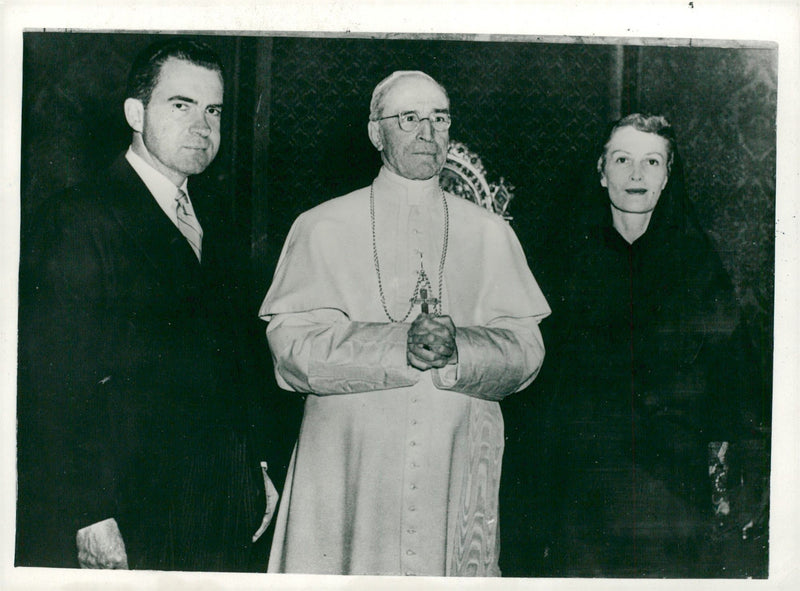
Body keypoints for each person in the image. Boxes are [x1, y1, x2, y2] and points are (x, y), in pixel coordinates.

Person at [258, 70, 550, 576]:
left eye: (439, 119)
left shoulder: (489, 234)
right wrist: (398, 346)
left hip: (456, 465)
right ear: (376, 133)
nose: (428, 132)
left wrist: (461, 347)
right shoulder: (321, 225)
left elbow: (527, 349)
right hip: (350, 469)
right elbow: (291, 352)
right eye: (409, 118)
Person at [16, 38, 271, 571]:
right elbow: (50, 384)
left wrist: (259, 470)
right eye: (182, 105)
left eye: (214, 110)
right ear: (136, 112)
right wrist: (88, 514)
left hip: (223, 504)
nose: (203, 126)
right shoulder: (79, 218)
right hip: (133, 513)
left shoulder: (218, 225)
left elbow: (238, 362)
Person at [531, 114, 767, 576]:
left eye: (651, 162)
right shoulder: (563, 263)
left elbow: (734, 385)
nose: (636, 174)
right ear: (602, 173)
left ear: (666, 176)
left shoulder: (699, 267)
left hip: (671, 488)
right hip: (584, 480)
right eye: (623, 160)